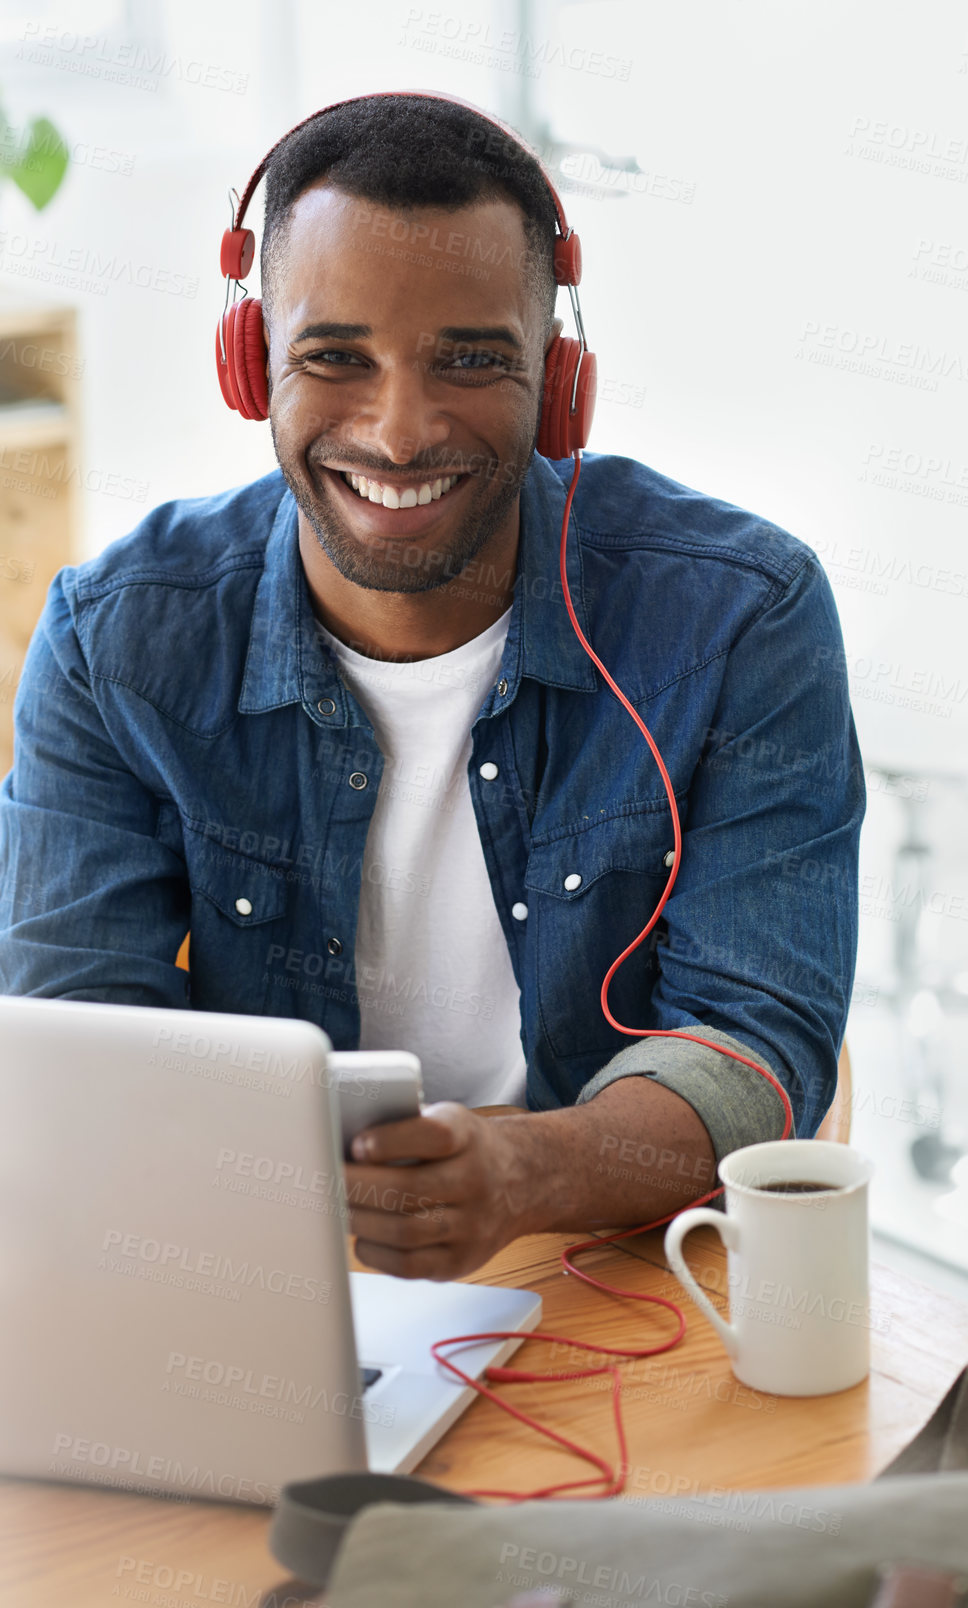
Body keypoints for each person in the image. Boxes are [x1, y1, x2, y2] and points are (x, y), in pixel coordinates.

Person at [0, 94, 864, 1279]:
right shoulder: (116, 645)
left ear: (559, 380)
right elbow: (80, 1066)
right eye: (334, 357)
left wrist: (527, 1174)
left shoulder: (740, 616)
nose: (399, 433)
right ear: (251, 365)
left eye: (469, 359)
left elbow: (758, 1037)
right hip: (253, 1278)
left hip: (609, 1267)